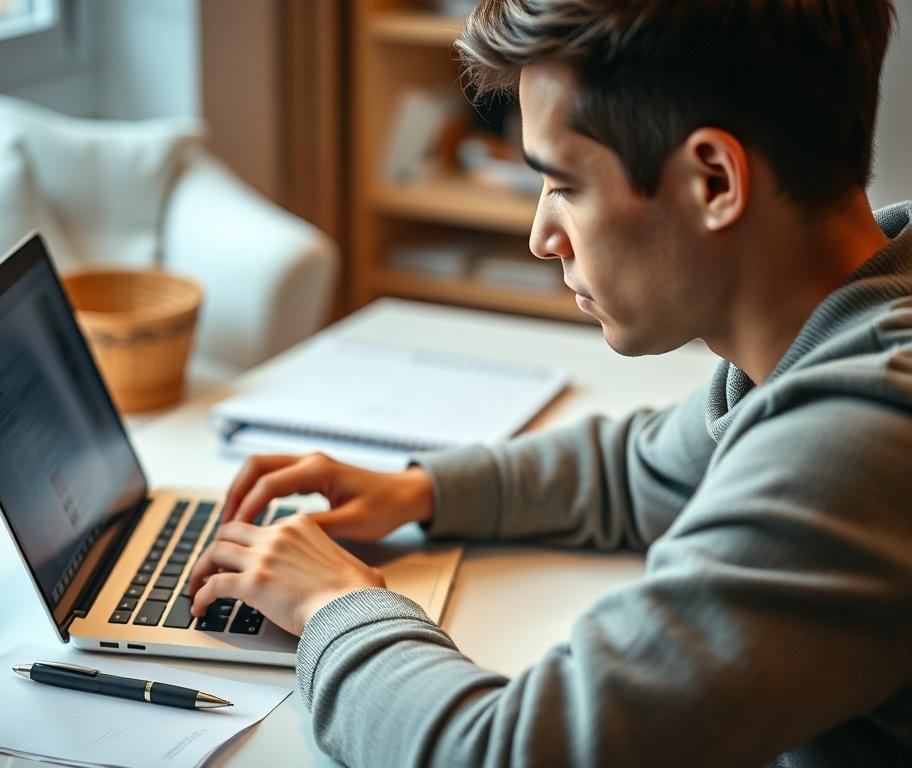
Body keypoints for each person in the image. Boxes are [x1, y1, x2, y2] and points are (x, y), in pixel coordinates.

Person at [188, 1, 912, 765]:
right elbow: (638, 471)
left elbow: (511, 754)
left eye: (563, 185)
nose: (541, 235)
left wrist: (331, 602)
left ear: (712, 180)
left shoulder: (864, 436)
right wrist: (420, 490)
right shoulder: (844, 326)